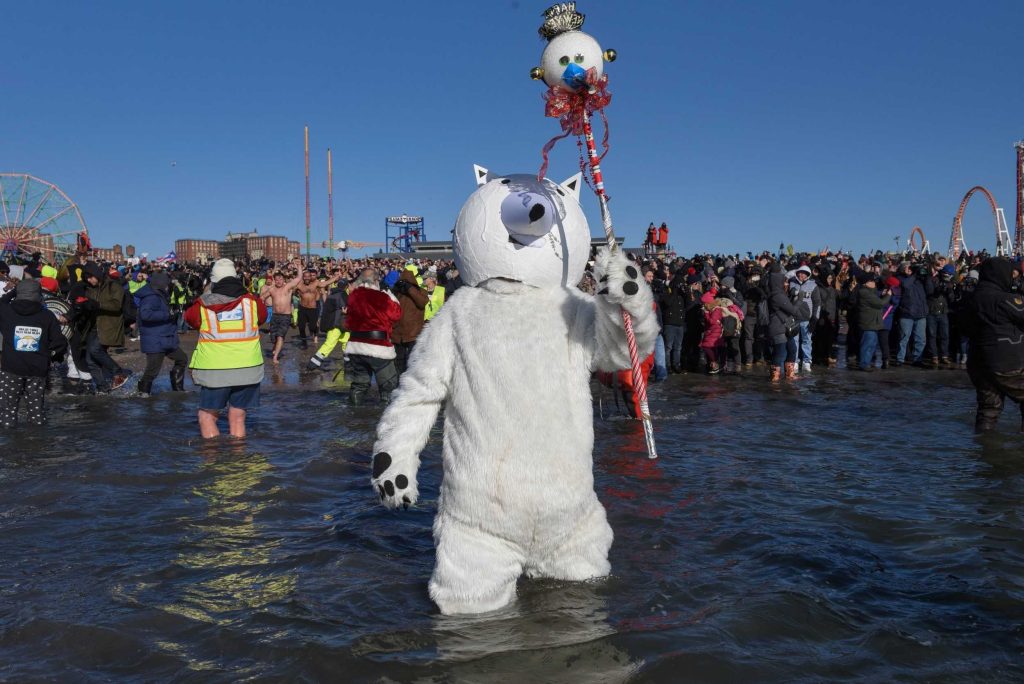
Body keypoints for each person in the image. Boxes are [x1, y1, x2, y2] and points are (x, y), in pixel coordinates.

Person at [185, 258, 268, 439]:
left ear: (213, 280)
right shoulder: (252, 302)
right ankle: (239, 462)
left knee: (207, 417)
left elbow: (190, 320)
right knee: (238, 417)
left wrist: (207, 291)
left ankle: (213, 462)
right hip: (248, 367)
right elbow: (261, 319)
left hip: (215, 368)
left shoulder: (202, 305)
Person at [0, 280, 68, 427]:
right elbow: (60, 343)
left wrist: (13, 291)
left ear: (18, 294)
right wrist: (52, 356)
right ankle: (37, 444)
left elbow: (2, 301)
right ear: (38, 295)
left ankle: (10, 446)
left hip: (11, 368)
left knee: (8, 411)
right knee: (36, 412)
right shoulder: (47, 315)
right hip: (38, 369)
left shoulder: (6, 311)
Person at [345, 267, 402, 405]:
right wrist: (390, 294)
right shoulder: (382, 297)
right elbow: (396, 314)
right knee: (388, 386)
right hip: (378, 347)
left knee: (359, 385)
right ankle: (385, 418)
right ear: (376, 280)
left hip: (356, 346)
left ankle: (354, 416)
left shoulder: (354, 296)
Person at [135, 272, 187, 396]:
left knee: (182, 358)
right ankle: (143, 393)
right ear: (161, 284)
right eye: (167, 284)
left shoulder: (159, 295)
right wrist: (168, 315)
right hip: (155, 339)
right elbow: (145, 315)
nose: (168, 287)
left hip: (165, 338)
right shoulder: (151, 297)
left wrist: (173, 312)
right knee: (152, 371)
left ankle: (178, 390)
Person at [84, 263, 131, 392]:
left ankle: (118, 372)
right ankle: (102, 388)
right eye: (86, 278)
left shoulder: (113, 286)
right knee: (90, 359)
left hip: (109, 325)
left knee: (95, 350)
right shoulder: (90, 288)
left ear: (97, 275)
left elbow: (116, 305)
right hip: (94, 325)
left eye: (90, 277)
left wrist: (97, 304)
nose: (89, 280)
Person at [259, 260, 302, 363]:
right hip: (275, 316)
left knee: (280, 336)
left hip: (285, 316)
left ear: (284, 280)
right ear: (274, 280)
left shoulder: (287, 287)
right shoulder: (271, 289)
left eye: (280, 279)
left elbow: (298, 278)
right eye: (277, 279)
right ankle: (275, 348)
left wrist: (299, 267)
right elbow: (261, 297)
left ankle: (275, 357)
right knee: (273, 337)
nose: (278, 281)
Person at [391, 267, 429, 375]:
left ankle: (411, 381)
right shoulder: (397, 293)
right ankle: (400, 382)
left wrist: (409, 288)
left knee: (413, 360)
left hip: (413, 333)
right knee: (399, 361)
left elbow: (422, 302)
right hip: (398, 333)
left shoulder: (420, 292)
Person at [308, 278, 350, 371]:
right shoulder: (342, 295)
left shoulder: (331, 295)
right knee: (332, 343)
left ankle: (349, 363)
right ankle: (313, 364)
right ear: (346, 287)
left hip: (337, 324)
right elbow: (346, 309)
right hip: (339, 324)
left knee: (346, 343)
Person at [855, 273, 891, 371]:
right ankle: (864, 364)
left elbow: (876, 297)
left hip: (873, 322)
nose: (874, 282)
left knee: (871, 344)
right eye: (871, 281)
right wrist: (888, 296)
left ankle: (866, 363)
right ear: (866, 283)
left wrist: (882, 293)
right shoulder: (864, 292)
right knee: (867, 344)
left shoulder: (870, 291)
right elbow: (880, 303)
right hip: (868, 323)